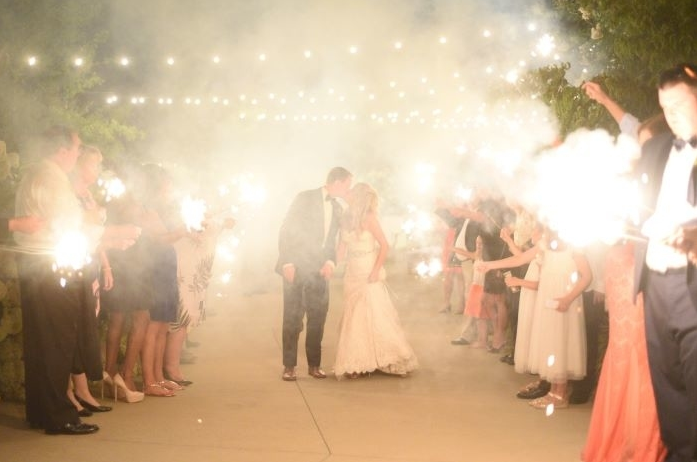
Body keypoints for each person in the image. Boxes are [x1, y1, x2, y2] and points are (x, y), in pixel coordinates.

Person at [13, 126, 101, 435]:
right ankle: (60, 416)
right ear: (62, 150)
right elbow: (68, 224)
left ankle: (41, 412)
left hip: (35, 264)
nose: (78, 154)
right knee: (56, 342)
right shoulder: (52, 178)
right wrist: (99, 224)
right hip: (53, 265)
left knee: (41, 341)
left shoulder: (36, 172)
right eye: (77, 148)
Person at [635, 63, 697, 462]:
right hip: (656, 285)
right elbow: (637, 207)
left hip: (692, 286)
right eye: (664, 107)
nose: (671, 115)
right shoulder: (656, 149)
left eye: (679, 104)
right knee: (669, 391)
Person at [332, 183, 418, 379]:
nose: (348, 194)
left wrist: (375, 271)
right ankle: (358, 361)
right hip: (352, 271)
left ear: (359, 197)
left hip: (368, 269)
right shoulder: (346, 217)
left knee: (371, 313)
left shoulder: (370, 217)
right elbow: (341, 248)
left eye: (352, 192)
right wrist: (330, 264)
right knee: (353, 315)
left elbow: (385, 245)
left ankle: (382, 359)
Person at [276, 167, 353, 381]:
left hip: (320, 270)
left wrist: (330, 262)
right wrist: (287, 262)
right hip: (296, 266)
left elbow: (331, 241)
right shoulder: (304, 197)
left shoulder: (337, 208)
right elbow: (286, 229)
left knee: (318, 317)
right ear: (337, 182)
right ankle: (289, 366)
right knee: (292, 317)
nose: (348, 190)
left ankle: (314, 365)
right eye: (347, 185)